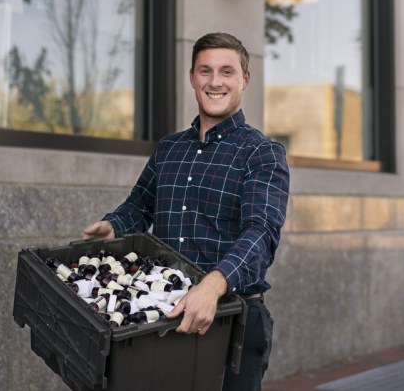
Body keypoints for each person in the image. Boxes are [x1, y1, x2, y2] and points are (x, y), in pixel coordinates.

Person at [83, 32, 290, 390]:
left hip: (231, 321)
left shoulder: (262, 153)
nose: (215, 82)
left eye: (227, 71)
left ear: (245, 79)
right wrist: (113, 225)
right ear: (192, 77)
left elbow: (261, 232)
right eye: (205, 71)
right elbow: (139, 205)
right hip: (165, 318)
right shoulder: (169, 149)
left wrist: (213, 285)